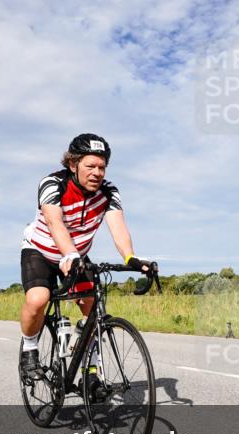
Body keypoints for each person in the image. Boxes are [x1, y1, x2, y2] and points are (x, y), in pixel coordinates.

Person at [18, 134, 150, 393]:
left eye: (102, 167)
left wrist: (130, 257)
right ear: (72, 164)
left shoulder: (109, 192)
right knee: (37, 299)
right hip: (41, 251)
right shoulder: (52, 183)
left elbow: (118, 227)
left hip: (77, 255)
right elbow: (55, 223)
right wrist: (67, 253)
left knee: (93, 310)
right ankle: (29, 349)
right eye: (91, 166)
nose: (97, 173)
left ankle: (90, 371)